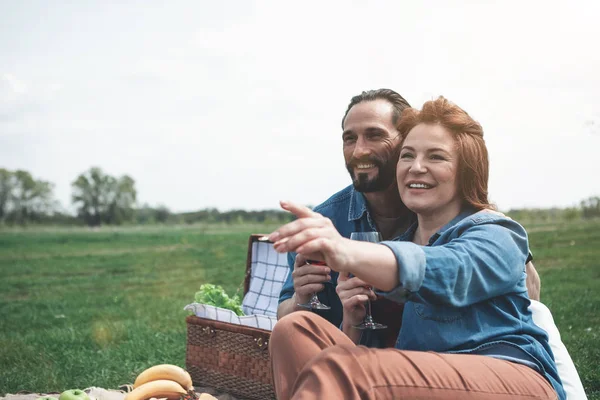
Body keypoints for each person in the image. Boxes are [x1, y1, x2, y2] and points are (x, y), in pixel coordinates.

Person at [267, 97, 565, 399]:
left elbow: (448, 269)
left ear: (466, 170)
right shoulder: (398, 242)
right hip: (423, 378)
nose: (416, 167)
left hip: (509, 377)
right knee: (293, 331)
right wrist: (354, 321)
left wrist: (345, 250)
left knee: (343, 368)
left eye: (436, 157)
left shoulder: (497, 233)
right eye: (407, 156)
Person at [277, 89, 542, 331]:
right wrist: (303, 299)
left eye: (375, 135)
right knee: (288, 336)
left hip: (449, 360)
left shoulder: (437, 210)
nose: (359, 151)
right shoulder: (327, 218)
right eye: (349, 138)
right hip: (372, 350)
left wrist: (345, 251)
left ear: (405, 137)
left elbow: (460, 267)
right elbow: (285, 314)